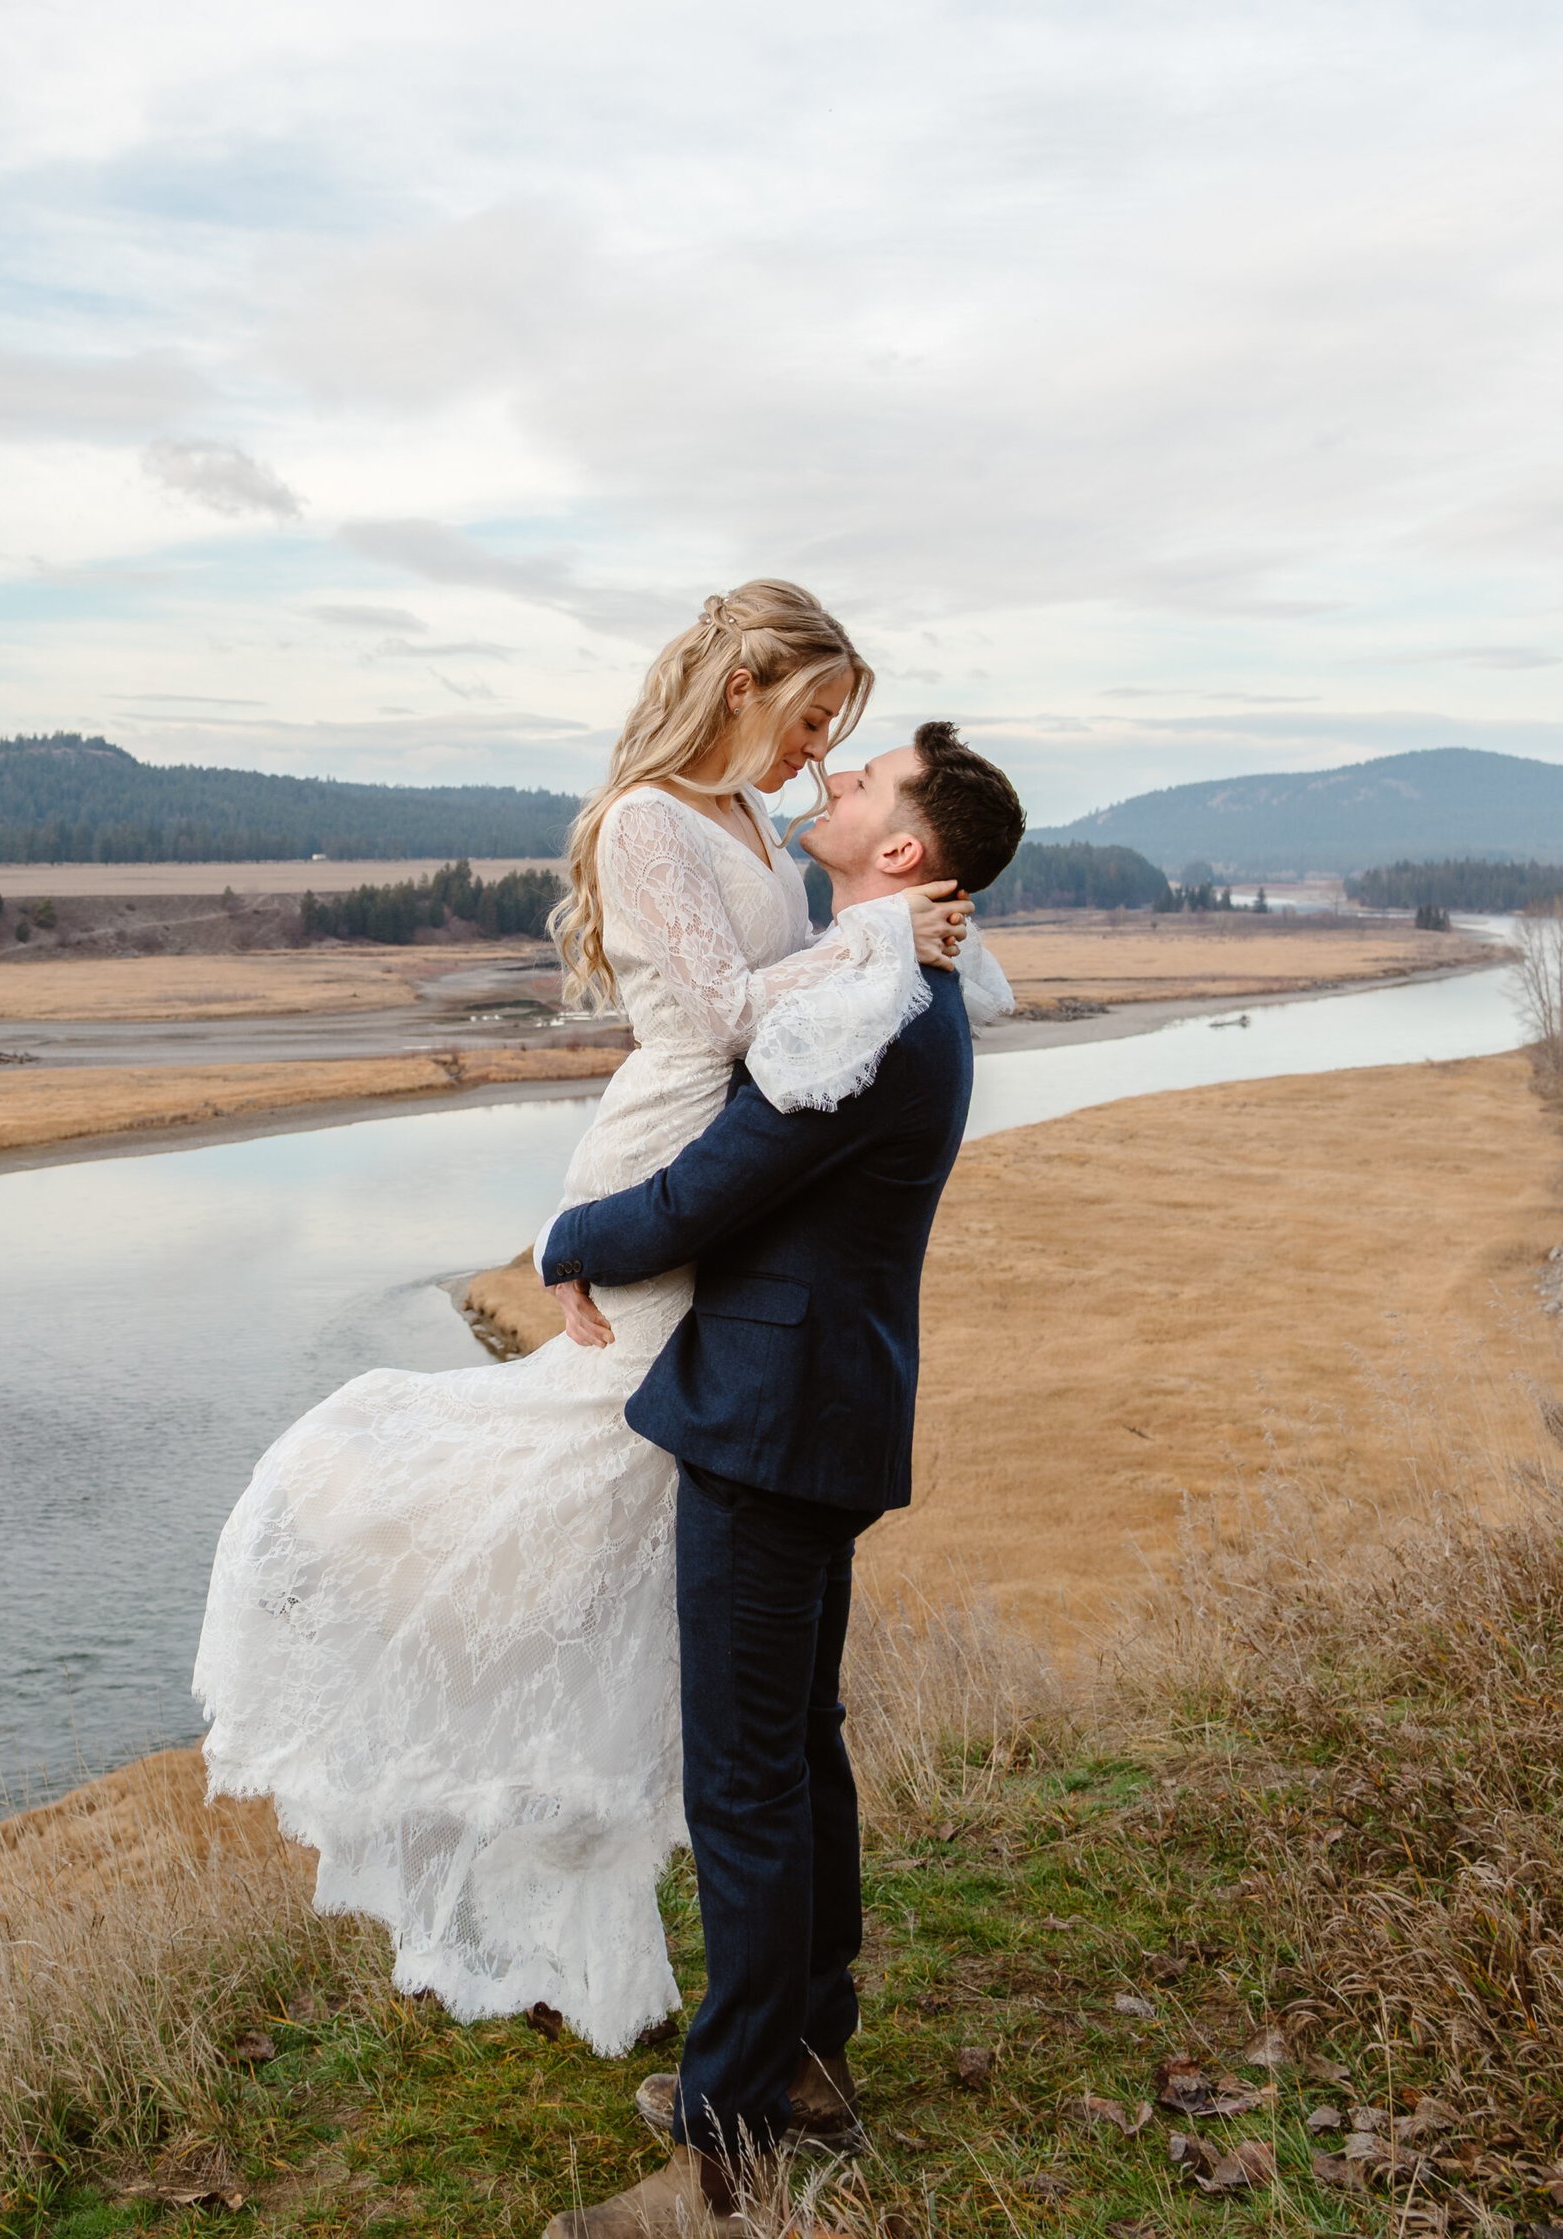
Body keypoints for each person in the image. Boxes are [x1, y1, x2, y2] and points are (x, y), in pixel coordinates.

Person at [193, 581, 1008, 2056]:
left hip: (756, 1343)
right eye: (815, 719)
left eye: (850, 747)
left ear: (897, 845)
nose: (821, 756)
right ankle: (773, 2019)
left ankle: (746, 2103)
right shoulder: (728, 866)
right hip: (716, 1221)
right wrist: (877, 941)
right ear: (748, 679)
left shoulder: (864, 960)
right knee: (731, 1677)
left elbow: (760, 1098)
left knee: (745, 1743)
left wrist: (881, 940)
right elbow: (728, 1023)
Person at [534, 723, 1026, 2239]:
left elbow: (716, 1183)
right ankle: (803, 2060)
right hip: (820, 1412)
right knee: (793, 1755)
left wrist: (570, 1240)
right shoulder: (894, 974)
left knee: (743, 1781)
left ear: (905, 855)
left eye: (863, 782)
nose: (833, 781)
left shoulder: (874, 1006)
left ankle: (724, 2154)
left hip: (770, 1421)